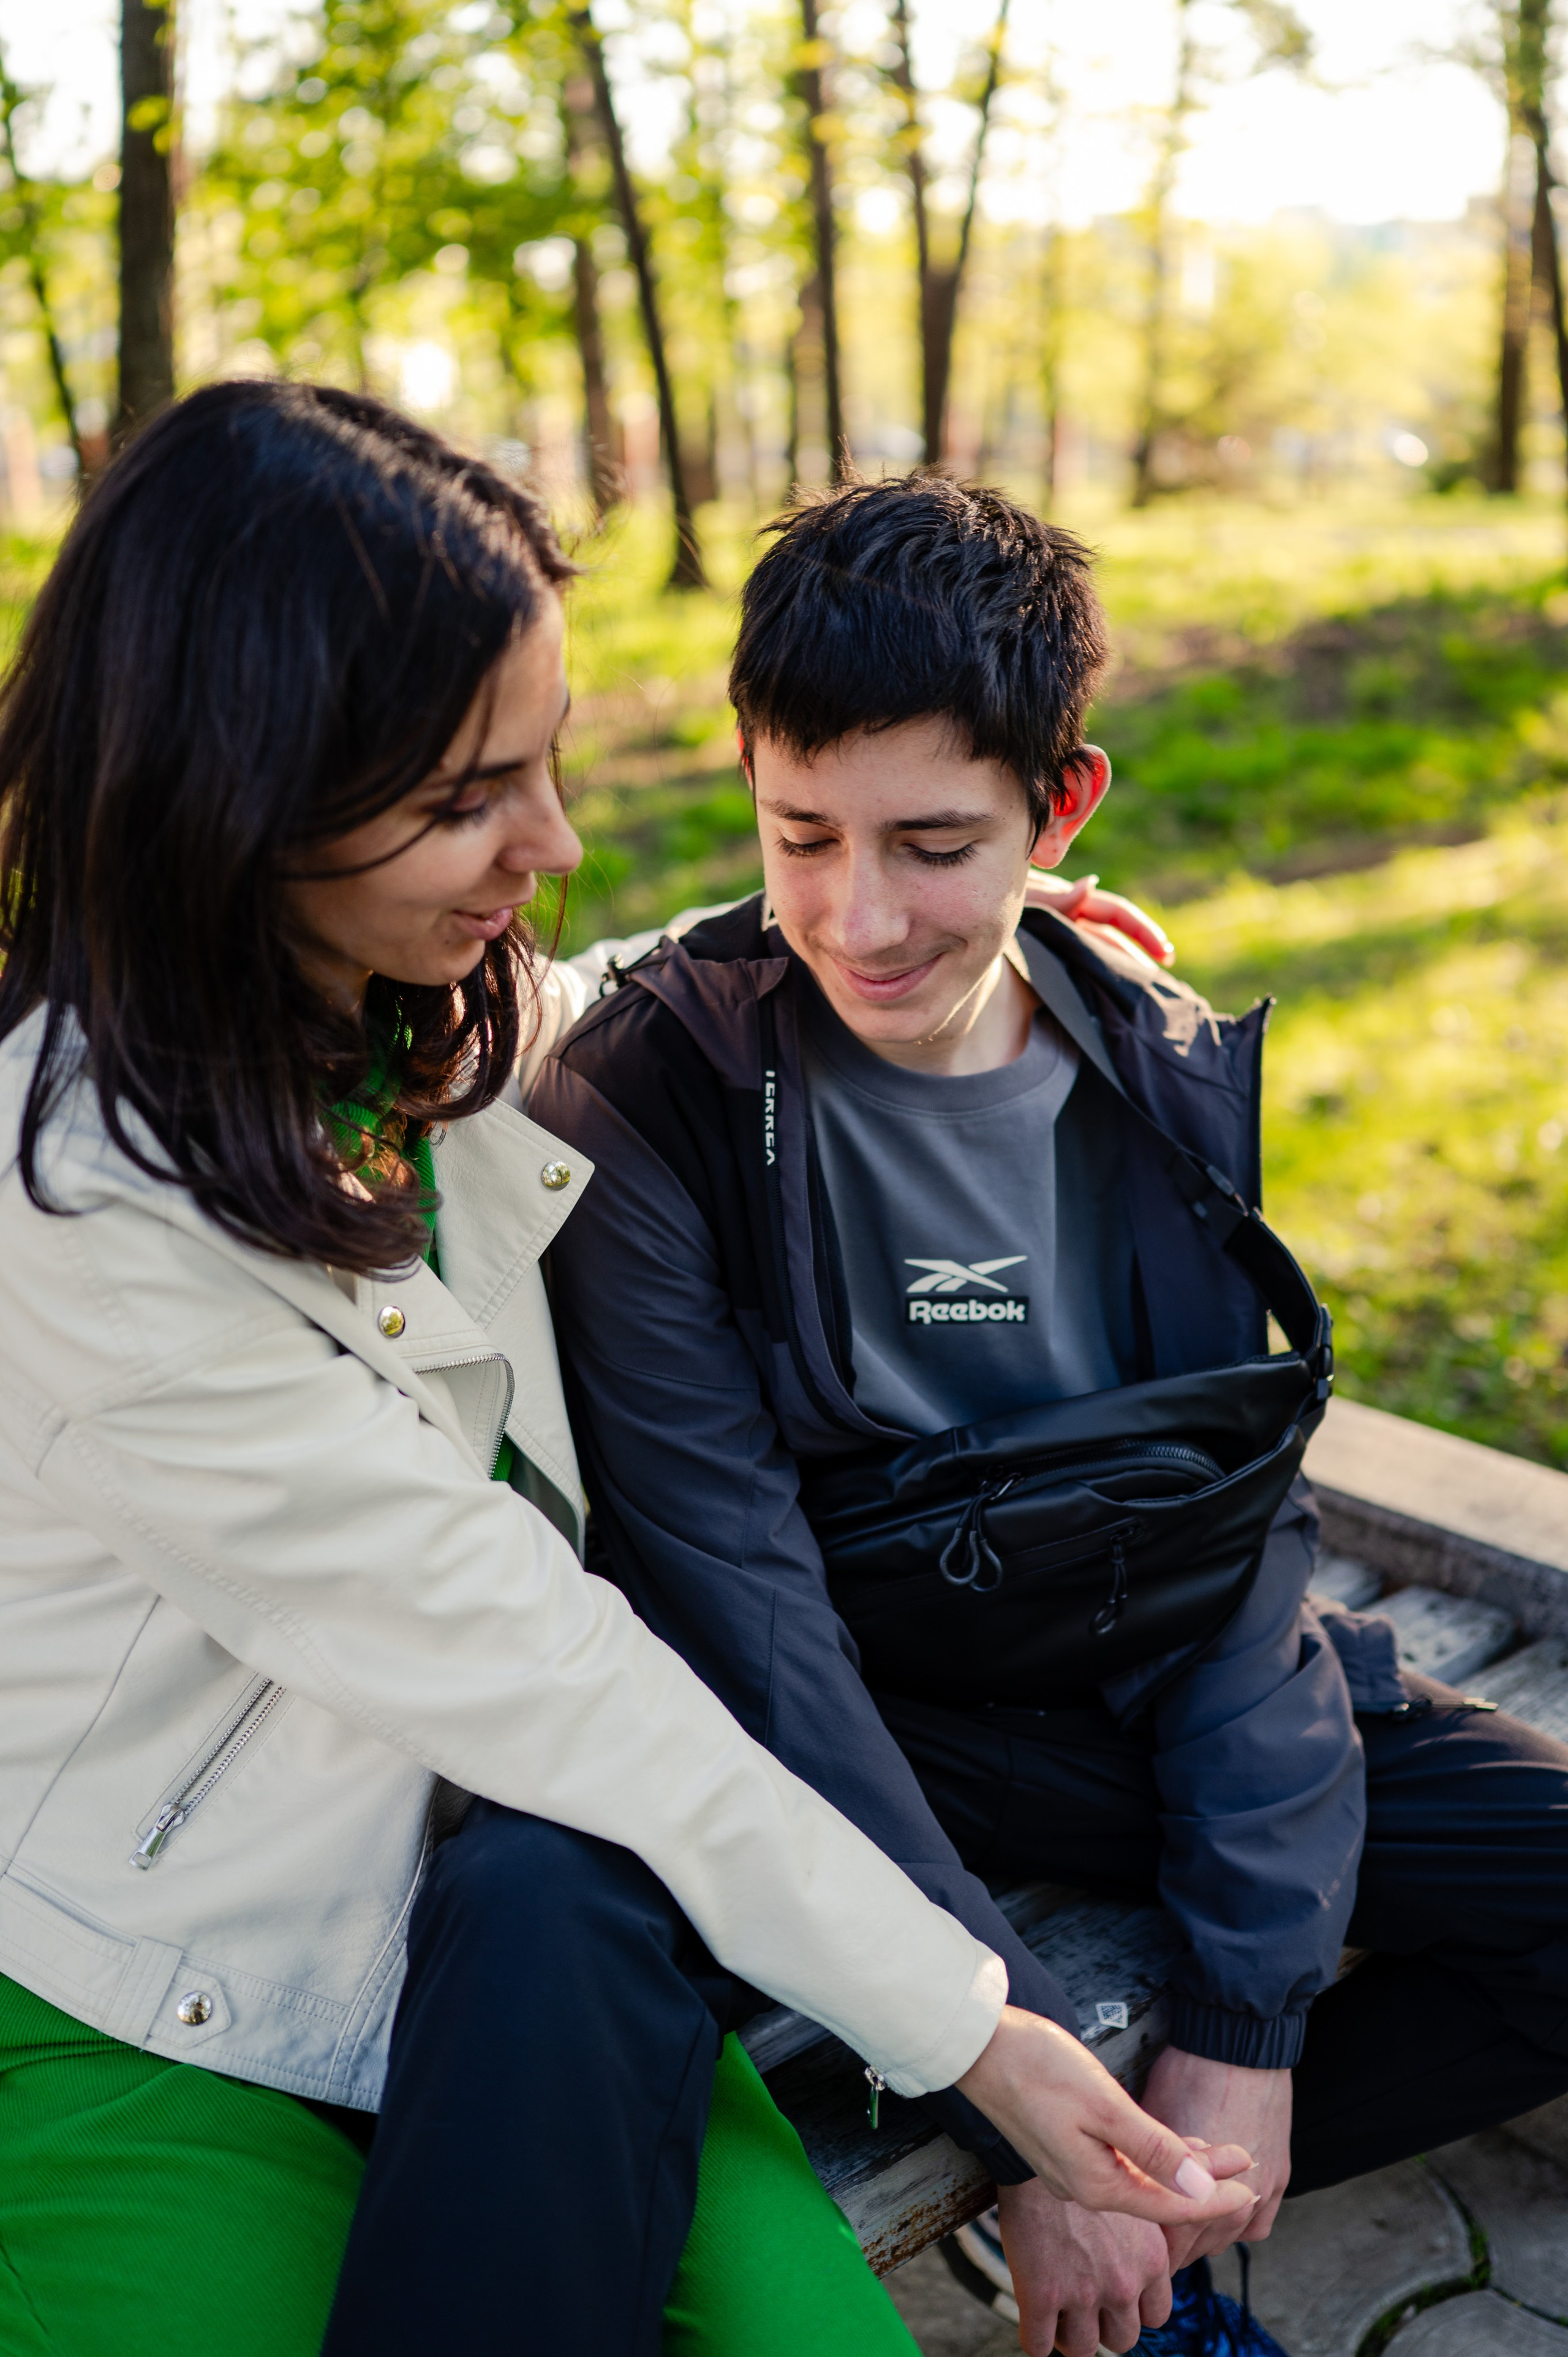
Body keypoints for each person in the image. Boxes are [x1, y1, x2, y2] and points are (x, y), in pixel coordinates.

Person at [0, 387, 1252, 2357]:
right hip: (169, 1977)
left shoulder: (402, 1013)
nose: (554, 842)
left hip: (539, 1916)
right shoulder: (79, 1213)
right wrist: (977, 2032)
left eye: (547, 762)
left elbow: (608, 992)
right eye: (465, 800)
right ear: (230, 795)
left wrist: (941, 921)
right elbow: (551, 1663)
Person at [533, 473, 1568, 2357]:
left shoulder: (1147, 1056)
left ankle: (1149, 2233)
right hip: (863, 1728)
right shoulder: (655, 1106)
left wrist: (1244, 2031)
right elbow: (753, 1635)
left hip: (1128, 1664)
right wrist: (1001, 2078)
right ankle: (1111, 2231)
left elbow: (1233, 1536)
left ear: (1060, 804)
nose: (859, 916)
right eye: (799, 835)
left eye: (934, 844)